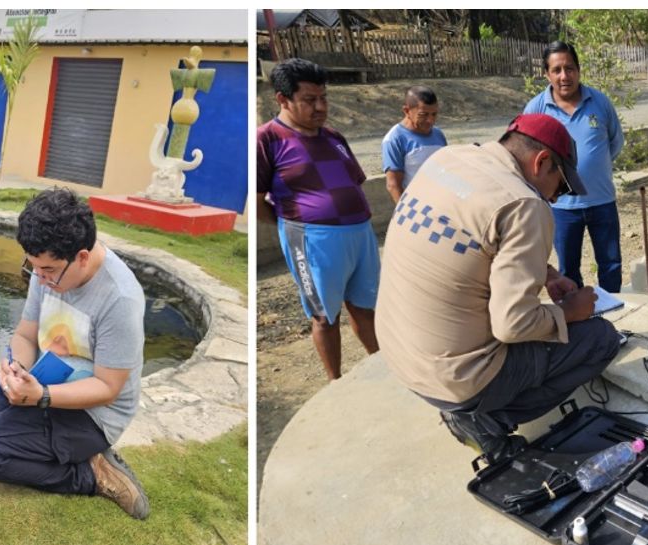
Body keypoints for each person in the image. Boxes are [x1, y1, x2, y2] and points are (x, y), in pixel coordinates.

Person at [376, 113, 624, 463]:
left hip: (402, 355)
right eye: (562, 185)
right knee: (600, 338)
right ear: (542, 162)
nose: (556, 198)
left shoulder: (448, 159)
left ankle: (474, 407)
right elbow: (512, 325)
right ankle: (486, 420)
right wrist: (571, 312)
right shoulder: (525, 204)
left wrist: (547, 274)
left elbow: (470, 244)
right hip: (457, 378)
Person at [0, 188, 151, 520]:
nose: (40, 278)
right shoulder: (47, 269)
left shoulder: (119, 299)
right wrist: (16, 367)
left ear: (81, 257)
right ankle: (55, 441)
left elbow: (108, 388)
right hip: (43, 385)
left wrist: (40, 396)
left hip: (93, 414)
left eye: (48, 270)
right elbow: (26, 334)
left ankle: (90, 475)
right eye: (33, 267)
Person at [256, 58, 379, 380]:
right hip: (313, 241)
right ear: (282, 99)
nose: (320, 107)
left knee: (366, 307)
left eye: (323, 98)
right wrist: (295, 224)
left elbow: (354, 180)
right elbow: (257, 202)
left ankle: (383, 369)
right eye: (309, 100)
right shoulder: (266, 139)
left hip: (360, 235)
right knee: (325, 315)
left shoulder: (334, 136)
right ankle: (335, 382)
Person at [522, 41, 626, 293]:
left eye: (569, 68)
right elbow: (524, 154)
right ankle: (576, 326)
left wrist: (592, 169)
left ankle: (614, 322)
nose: (564, 76)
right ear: (546, 74)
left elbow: (615, 142)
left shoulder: (600, 103)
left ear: (578, 70)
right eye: (556, 70)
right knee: (568, 269)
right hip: (561, 208)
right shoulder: (536, 108)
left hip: (602, 201)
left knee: (611, 266)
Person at [382, 85, 448, 203]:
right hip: (418, 211)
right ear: (407, 111)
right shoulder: (394, 139)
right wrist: (408, 214)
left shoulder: (439, 135)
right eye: (423, 115)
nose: (430, 120)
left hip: (442, 206)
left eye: (434, 114)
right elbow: (393, 186)